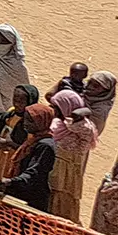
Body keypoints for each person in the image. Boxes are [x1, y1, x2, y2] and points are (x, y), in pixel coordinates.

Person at [50, 89, 99, 224]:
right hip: (54, 168)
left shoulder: (81, 127)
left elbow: (86, 130)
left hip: (68, 173)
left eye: (57, 107)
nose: (53, 110)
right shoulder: (57, 124)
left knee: (64, 203)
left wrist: (75, 116)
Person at [0, 102, 57, 214]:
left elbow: (34, 173)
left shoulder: (45, 146)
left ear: (42, 122)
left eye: (31, 121)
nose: (26, 123)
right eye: (25, 119)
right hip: (21, 190)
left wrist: (9, 182)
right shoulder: (33, 139)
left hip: (32, 197)